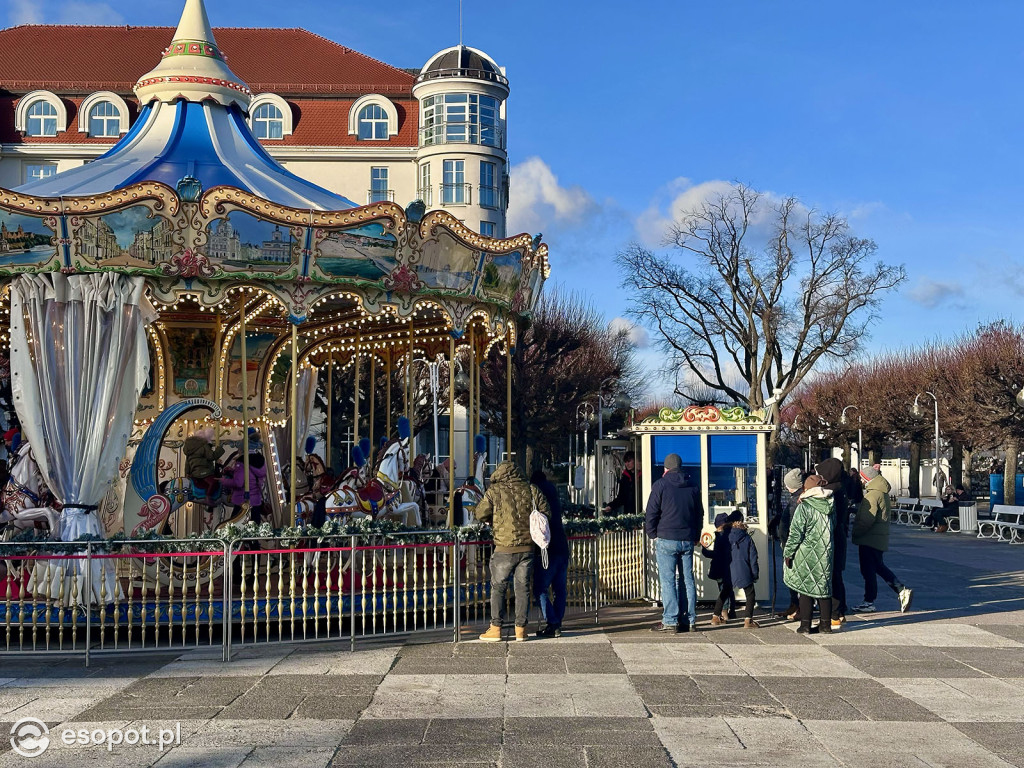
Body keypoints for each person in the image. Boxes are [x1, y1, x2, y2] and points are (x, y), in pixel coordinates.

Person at [475, 461, 550, 642]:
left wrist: (493, 519)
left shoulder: (494, 491)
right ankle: (521, 630)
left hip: (504, 547)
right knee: (522, 588)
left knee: (498, 587)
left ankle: (495, 628)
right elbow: (546, 512)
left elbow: (480, 513)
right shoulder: (532, 489)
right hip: (527, 547)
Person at [645, 453, 703, 633]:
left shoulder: (660, 485)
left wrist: (652, 532)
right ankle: (689, 620)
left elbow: (651, 512)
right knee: (687, 579)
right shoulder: (693, 485)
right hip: (687, 539)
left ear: (666, 468)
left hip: (666, 538)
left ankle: (670, 620)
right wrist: (696, 535)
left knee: (668, 580)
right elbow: (698, 514)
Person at [851, 466, 913, 614]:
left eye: (862, 478)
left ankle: (869, 601)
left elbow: (867, 519)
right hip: (878, 537)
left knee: (868, 571)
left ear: (867, 479)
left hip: (869, 538)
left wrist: (856, 532)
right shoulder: (882, 492)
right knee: (878, 567)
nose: (860, 480)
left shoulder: (872, 495)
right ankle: (900, 590)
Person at [784, 474, 836, 634]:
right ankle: (825, 625)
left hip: (806, 552)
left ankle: (805, 624)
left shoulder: (804, 506)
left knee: (805, 589)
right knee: (823, 588)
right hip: (826, 552)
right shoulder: (830, 504)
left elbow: (795, 533)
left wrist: (788, 553)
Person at [531, 469, 569, 638]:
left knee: (540, 588)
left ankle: (552, 622)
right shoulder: (553, 493)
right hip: (562, 546)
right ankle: (557, 622)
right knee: (560, 589)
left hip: (548, 548)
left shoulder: (536, 496)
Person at [816, 458, 848, 629]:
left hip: (831, 538)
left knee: (831, 576)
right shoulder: (840, 488)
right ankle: (840, 611)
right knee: (836, 576)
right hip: (838, 537)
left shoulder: (830, 492)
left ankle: (834, 613)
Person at [770, 468, 804, 620]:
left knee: (797, 577)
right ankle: (794, 604)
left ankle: (800, 607)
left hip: (794, 544)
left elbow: (795, 525)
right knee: (790, 576)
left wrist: (788, 544)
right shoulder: (793, 498)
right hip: (788, 542)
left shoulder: (798, 500)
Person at [727, 510, 760, 628]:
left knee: (725, 591)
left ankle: (716, 616)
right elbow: (753, 558)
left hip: (729, 570)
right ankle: (748, 620)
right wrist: (755, 574)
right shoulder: (747, 538)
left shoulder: (726, 536)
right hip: (744, 570)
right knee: (750, 594)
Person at [220, 451, 268, 524]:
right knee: (255, 525)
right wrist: (233, 472)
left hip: (242, 500)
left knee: (234, 525)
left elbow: (238, 483)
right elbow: (249, 476)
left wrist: (223, 481)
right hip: (255, 500)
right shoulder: (259, 464)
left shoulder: (242, 464)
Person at [703, 512, 733, 625]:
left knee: (723, 590)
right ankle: (726, 612)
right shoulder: (729, 535)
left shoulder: (721, 537)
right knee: (727, 589)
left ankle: (723, 613)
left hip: (719, 568)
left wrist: (705, 552)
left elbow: (717, 554)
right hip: (727, 567)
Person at [183, 426, 225, 499]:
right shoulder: (203, 445)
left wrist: (187, 473)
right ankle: (208, 498)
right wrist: (219, 449)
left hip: (194, 473)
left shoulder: (190, 448)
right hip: (203, 472)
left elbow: (187, 463)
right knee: (214, 482)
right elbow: (211, 456)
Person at [603, 451, 636, 516]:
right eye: (625, 462)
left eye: (629, 461)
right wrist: (611, 506)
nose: (627, 464)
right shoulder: (625, 477)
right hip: (628, 512)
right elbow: (621, 497)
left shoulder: (643, 476)